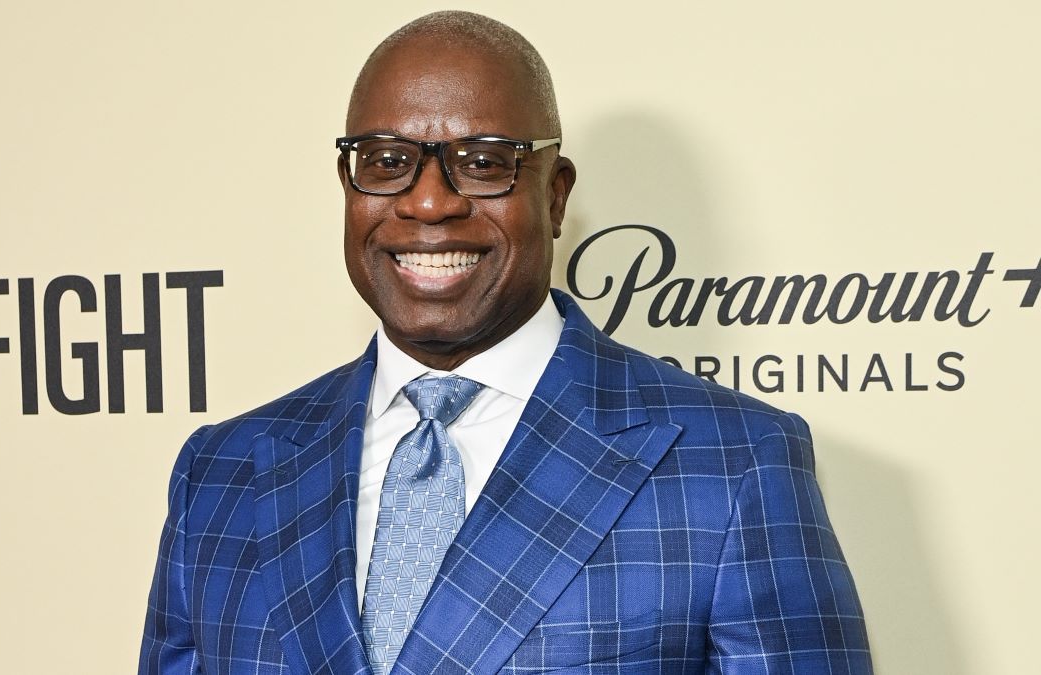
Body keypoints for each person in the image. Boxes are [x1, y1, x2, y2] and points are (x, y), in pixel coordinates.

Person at [140, 11, 871, 674]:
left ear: (555, 195)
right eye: (387, 160)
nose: (429, 200)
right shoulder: (221, 474)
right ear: (348, 184)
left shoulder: (734, 463)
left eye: (485, 161)